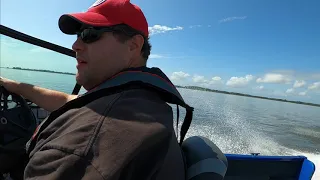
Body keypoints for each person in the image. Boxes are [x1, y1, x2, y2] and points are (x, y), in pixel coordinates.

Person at [0, 0, 193, 179]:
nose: (75, 45)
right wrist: (15, 86)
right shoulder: (138, 102)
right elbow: (72, 101)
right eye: (78, 35)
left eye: (89, 34)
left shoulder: (80, 150)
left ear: (133, 45)